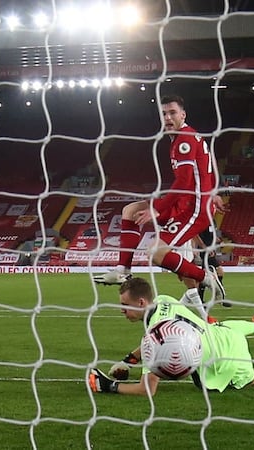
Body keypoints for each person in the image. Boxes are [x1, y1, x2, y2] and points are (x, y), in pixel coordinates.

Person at [87, 277, 254, 396]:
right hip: (224, 335)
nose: (121, 310)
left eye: (124, 304)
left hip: (224, 359)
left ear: (141, 302)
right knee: (220, 325)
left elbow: (147, 390)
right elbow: (156, 342)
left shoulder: (157, 334)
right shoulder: (163, 300)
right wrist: (128, 360)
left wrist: (109, 386)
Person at [93, 95, 226, 315]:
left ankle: (206, 278)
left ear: (183, 115)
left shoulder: (184, 140)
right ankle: (123, 271)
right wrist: (214, 192)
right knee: (130, 211)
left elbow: (183, 182)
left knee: (155, 252)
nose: (167, 117)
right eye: (164, 114)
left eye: (172, 113)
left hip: (194, 209)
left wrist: (159, 208)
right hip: (186, 203)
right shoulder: (183, 138)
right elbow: (202, 170)